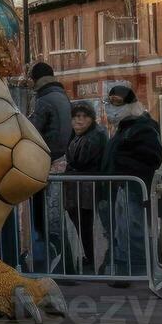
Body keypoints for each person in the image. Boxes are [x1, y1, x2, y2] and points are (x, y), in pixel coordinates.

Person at [100, 85, 162, 287]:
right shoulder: (124, 127)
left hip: (134, 188)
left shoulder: (143, 127)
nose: (112, 107)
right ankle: (125, 271)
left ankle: (136, 271)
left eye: (117, 102)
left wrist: (123, 166)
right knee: (121, 231)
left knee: (133, 231)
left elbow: (152, 156)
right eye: (110, 102)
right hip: (121, 187)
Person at [27, 62, 71, 272]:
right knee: (54, 219)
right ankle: (66, 265)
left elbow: (32, 130)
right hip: (58, 160)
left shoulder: (44, 100)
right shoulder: (62, 96)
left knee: (43, 220)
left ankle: (46, 264)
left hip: (44, 162)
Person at [62, 101, 107, 275]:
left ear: (91, 119)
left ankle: (92, 260)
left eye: (84, 117)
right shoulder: (78, 135)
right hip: (78, 188)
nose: (79, 121)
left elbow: (80, 160)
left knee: (87, 226)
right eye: (76, 117)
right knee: (82, 225)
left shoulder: (93, 135)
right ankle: (89, 258)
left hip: (87, 188)